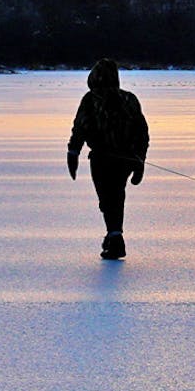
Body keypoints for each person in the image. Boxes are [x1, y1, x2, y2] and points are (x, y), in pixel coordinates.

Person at [67, 58, 149, 260]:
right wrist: (139, 161)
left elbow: (80, 128)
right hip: (126, 159)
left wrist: (73, 152)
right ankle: (114, 235)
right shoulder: (129, 99)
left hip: (103, 159)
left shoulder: (91, 99)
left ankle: (115, 237)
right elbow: (142, 133)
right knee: (116, 195)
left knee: (108, 198)